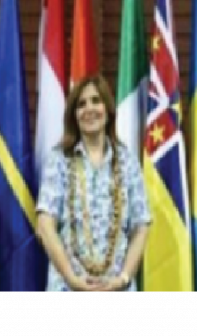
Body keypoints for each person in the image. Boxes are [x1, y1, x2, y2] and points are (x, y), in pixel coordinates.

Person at [35, 75, 151, 292]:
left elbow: (141, 226)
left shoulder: (127, 161)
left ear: (107, 109)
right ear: (74, 115)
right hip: (67, 286)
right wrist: (72, 279)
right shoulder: (59, 160)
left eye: (96, 101)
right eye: (81, 104)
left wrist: (123, 279)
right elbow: (45, 225)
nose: (89, 109)